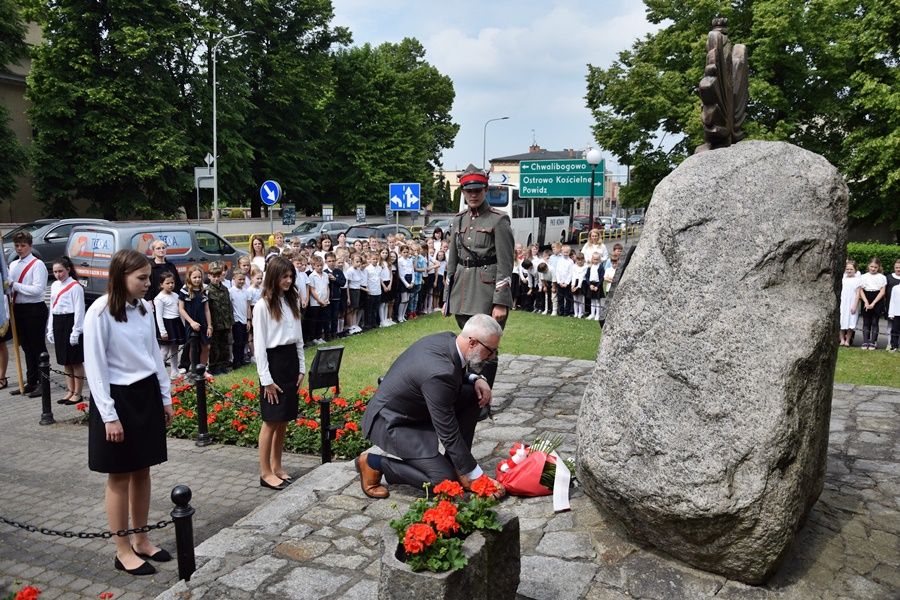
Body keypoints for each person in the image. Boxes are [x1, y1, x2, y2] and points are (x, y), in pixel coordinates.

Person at [83, 249, 173, 576]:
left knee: (143, 470)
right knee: (119, 475)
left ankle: (141, 539)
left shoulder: (145, 309)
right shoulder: (99, 312)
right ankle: (122, 550)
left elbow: (153, 355)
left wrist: (165, 398)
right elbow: (95, 367)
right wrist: (108, 414)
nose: (148, 283)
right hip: (117, 398)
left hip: (145, 393)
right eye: (142, 278)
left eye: (149, 277)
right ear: (121, 277)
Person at [358, 314, 506, 499]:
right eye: (490, 350)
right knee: (444, 482)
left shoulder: (451, 340)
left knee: (471, 395)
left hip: (418, 408)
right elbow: (448, 432)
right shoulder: (439, 374)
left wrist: (475, 378)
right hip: (394, 422)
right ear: (473, 343)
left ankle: (457, 465)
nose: (492, 357)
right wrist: (476, 477)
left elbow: (455, 369)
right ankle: (373, 463)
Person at [445, 164, 514, 392]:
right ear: (463, 192)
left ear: (485, 190)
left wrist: (501, 301)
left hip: (486, 293)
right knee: (466, 345)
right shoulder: (459, 220)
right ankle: (468, 392)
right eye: (468, 190)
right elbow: (452, 261)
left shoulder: (498, 220)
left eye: (477, 190)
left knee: (486, 346)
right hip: (462, 292)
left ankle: (484, 396)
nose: (473, 195)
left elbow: (506, 263)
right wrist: (447, 298)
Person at [253, 256, 305, 490]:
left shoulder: (291, 301)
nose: (288, 280)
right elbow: (260, 345)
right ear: (273, 277)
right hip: (273, 363)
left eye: (291, 276)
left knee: (283, 420)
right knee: (271, 420)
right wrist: (266, 380)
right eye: (284, 276)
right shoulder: (262, 305)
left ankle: (277, 466)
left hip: (290, 361)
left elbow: (299, 338)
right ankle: (265, 472)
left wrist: (301, 367)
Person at [7, 231, 48, 397]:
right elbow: (9, 286)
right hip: (19, 308)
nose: (19, 248)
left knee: (37, 347)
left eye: (23, 245)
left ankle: (43, 383)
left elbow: (38, 290)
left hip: (34, 309)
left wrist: (14, 285)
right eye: (17, 245)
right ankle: (31, 382)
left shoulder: (37, 264)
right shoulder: (13, 265)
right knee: (26, 347)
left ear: (30, 246)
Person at [47, 257, 86, 404]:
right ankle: (69, 391)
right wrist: (50, 328)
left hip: (70, 322)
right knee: (65, 361)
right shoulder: (55, 285)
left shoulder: (75, 286)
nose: (58, 275)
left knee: (75, 361)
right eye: (55, 272)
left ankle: (78, 392)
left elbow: (79, 310)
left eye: (61, 271)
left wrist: (76, 331)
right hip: (58, 322)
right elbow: (52, 307)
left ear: (68, 269)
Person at [178, 265, 212, 371]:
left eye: (199, 277)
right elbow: (181, 309)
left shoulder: (204, 290)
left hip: (203, 323)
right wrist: (191, 322)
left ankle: (202, 368)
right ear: (189, 277)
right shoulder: (184, 290)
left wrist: (210, 326)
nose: (197, 279)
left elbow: (207, 309)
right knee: (192, 347)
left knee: (206, 346)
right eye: (194, 277)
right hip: (191, 323)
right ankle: (193, 369)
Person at [153, 272, 184, 379]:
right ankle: (158, 373)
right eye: (167, 283)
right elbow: (158, 316)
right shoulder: (159, 298)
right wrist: (163, 331)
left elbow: (179, 310)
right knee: (164, 351)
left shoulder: (176, 295)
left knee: (175, 349)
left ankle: (174, 371)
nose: (171, 285)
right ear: (162, 284)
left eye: (172, 282)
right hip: (167, 325)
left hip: (175, 323)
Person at [206, 263, 235, 374]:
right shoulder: (208, 290)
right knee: (214, 347)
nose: (216, 278)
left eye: (218, 276)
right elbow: (207, 309)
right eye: (214, 276)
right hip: (215, 323)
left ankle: (225, 366)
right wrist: (209, 324)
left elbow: (229, 305)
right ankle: (214, 367)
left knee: (225, 346)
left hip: (225, 322)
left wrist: (231, 321)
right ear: (209, 276)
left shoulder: (225, 289)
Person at [857, 257, 886, 350]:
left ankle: (873, 342)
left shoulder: (882, 277)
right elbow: (860, 290)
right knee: (866, 321)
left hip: (877, 299)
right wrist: (865, 302)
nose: (873, 269)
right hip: (866, 296)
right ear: (868, 266)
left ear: (879, 267)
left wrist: (873, 303)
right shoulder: (863, 276)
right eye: (871, 266)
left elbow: (882, 292)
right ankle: (865, 341)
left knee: (874, 321)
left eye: (875, 267)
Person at [229, 270, 252, 368]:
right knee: (237, 341)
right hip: (236, 320)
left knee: (243, 340)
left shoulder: (246, 292)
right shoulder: (231, 291)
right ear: (234, 279)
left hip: (244, 320)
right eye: (240, 279)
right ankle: (236, 360)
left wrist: (248, 320)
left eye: (243, 279)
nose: (242, 281)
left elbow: (248, 306)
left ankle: (242, 359)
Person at [839, 260, 862, 347]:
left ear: (855, 270)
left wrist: (855, 306)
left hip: (852, 303)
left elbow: (857, 294)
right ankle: (841, 339)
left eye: (851, 269)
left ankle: (848, 340)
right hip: (842, 303)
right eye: (847, 269)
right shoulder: (843, 278)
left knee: (850, 322)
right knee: (841, 322)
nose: (849, 271)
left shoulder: (857, 280)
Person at [887, 259, 900, 352]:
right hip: (896, 313)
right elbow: (892, 301)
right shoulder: (895, 288)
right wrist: (891, 313)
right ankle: (894, 346)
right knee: (894, 330)